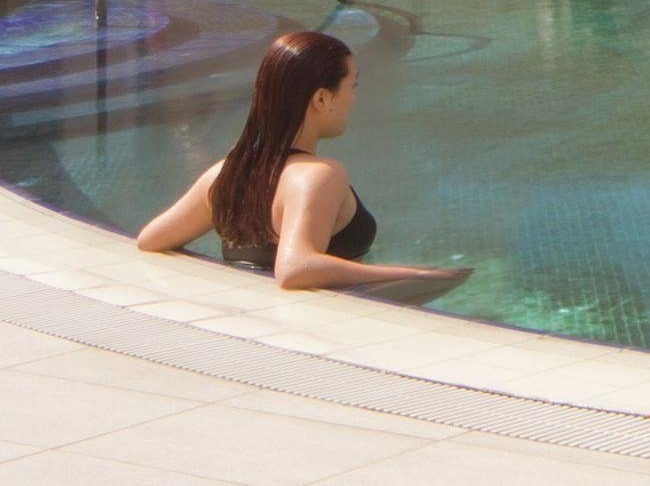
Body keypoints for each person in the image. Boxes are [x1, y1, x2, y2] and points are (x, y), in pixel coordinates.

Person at [138, 29, 468, 299]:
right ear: (322, 98)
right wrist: (411, 275)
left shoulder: (227, 174)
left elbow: (151, 239)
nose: (353, 98)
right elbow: (295, 268)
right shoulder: (318, 176)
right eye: (352, 86)